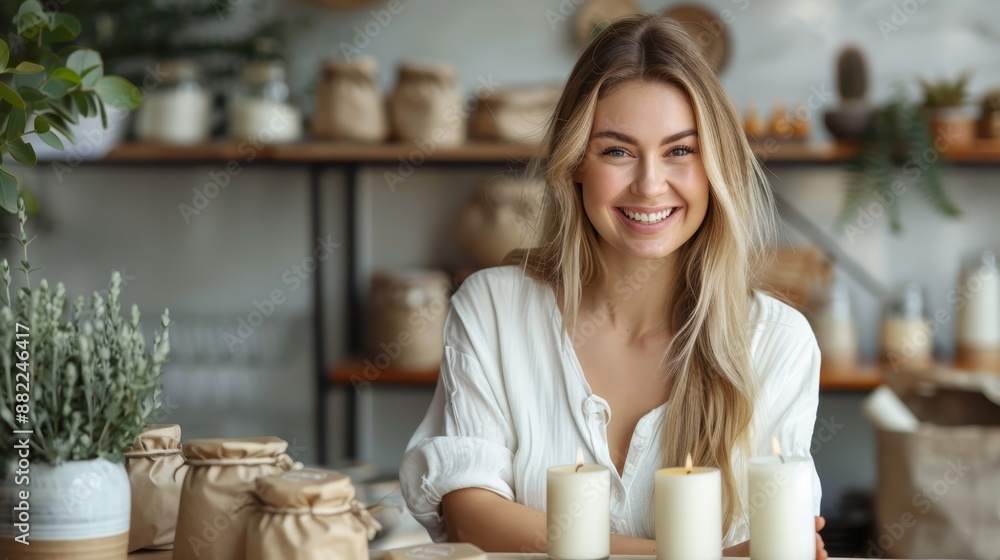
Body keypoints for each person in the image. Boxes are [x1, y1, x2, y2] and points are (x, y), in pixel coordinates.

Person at [400, 13, 827, 558]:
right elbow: (470, 514)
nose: (650, 185)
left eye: (680, 150)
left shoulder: (777, 341)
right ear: (575, 161)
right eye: (617, 151)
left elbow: (781, 540)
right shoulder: (493, 309)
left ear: (716, 163)